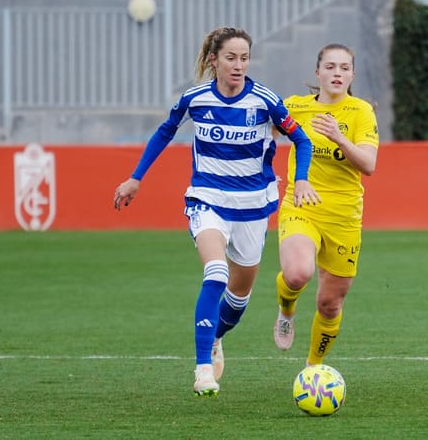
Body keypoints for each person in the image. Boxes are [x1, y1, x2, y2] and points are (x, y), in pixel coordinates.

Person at [113, 27, 319, 396]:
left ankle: (217, 335)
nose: (238, 65)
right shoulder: (195, 98)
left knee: (238, 301)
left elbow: (300, 139)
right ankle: (202, 368)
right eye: (231, 58)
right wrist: (135, 178)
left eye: (244, 58)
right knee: (216, 270)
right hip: (207, 199)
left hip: (254, 206)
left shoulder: (264, 100)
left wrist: (301, 179)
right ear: (214, 60)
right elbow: (164, 131)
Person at [272, 44, 379, 367]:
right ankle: (286, 309)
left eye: (344, 68)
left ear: (352, 75)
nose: (337, 73)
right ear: (317, 72)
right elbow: (260, 133)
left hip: (344, 216)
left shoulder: (360, 111)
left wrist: (340, 138)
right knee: (297, 274)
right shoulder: (295, 107)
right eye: (330, 66)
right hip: (301, 205)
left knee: (330, 304)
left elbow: (369, 165)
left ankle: (312, 369)